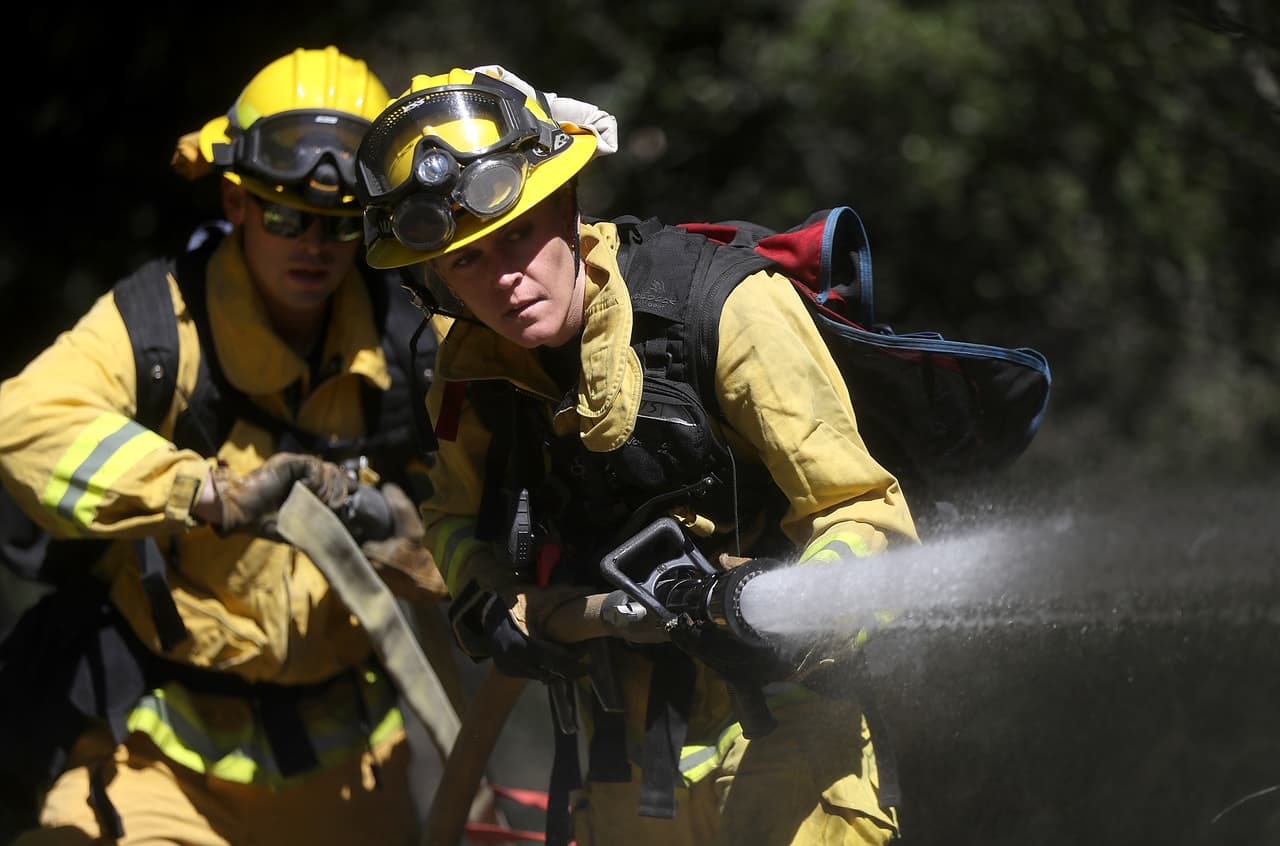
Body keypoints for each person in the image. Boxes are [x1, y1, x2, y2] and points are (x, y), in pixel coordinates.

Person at [354, 67, 922, 846]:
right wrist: (490, 601)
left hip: (790, 733)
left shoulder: (726, 310)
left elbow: (868, 520)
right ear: (431, 282)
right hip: (623, 758)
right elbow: (454, 520)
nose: (505, 279)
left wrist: (779, 606)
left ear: (564, 204)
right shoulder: (470, 375)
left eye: (517, 234)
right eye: (465, 262)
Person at [0, 46, 451, 845]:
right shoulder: (156, 328)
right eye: (285, 215)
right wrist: (207, 493)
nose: (313, 244)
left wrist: (401, 528)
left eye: (341, 223)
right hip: (156, 766)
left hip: (351, 774)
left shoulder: (413, 340)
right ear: (237, 202)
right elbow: (25, 422)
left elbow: (487, 510)